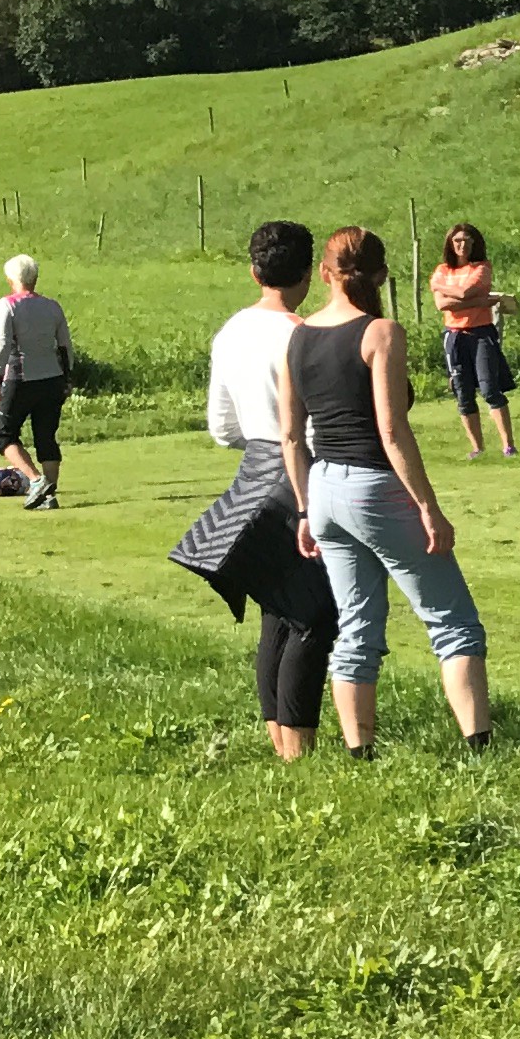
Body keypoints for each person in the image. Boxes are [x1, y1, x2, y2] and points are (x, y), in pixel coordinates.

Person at [277, 224, 494, 759]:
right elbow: (392, 431)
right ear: (381, 275)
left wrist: (305, 510)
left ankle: (360, 752)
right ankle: (479, 745)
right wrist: (428, 507)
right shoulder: (380, 333)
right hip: (374, 485)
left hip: (323, 487)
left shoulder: (297, 336)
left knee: (356, 627)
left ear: (324, 273)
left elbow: (289, 434)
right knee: (453, 622)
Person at [171, 221, 342, 762]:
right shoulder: (309, 332)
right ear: (310, 275)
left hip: (251, 475)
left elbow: (222, 428)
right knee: (315, 614)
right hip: (301, 475)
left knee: (276, 608)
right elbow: (317, 425)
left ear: (253, 271)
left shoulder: (232, 331)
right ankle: (300, 751)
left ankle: (279, 741)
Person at [0, 253, 74, 509]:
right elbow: (65, 346)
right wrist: (67, 378)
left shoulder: (8, 305)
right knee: (46, 437)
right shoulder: (53, 306)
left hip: (20, 379)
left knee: (3, 434)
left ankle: (36, 481)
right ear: (35, 278)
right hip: (52, 380)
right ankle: (48, 496)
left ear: (11, 279)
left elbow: (3, 343)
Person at [426, 222, 519, 459]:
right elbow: (441, 304)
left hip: (480, 333)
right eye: (457, 240)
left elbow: (465, 291)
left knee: (490, 389)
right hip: (454, 335)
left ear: (475, 243)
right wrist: (479, 302)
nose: (462, 245)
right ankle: (477, 448)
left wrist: (444, 288)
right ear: (450, 243)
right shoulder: (443, 270)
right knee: (463, 393)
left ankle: (508, 445)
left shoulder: (482, 268)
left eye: (467, 240)